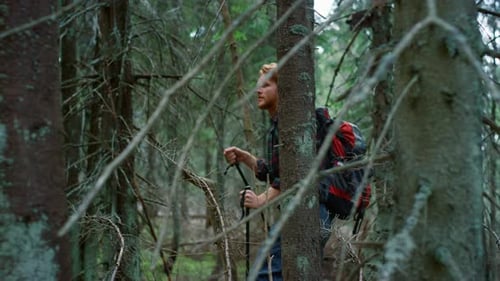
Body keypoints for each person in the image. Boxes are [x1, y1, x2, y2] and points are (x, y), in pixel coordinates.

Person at [223, 62, 334, 280]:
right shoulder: (278, 125)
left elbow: (294, 175)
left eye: (265, 85)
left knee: (261, 276)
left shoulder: (293, 124)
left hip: (313, 212)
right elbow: (274, 172)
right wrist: (245, 157)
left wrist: (261, 200)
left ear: (281, 89)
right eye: (258, 86)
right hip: (309, 213)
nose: (258, 91)